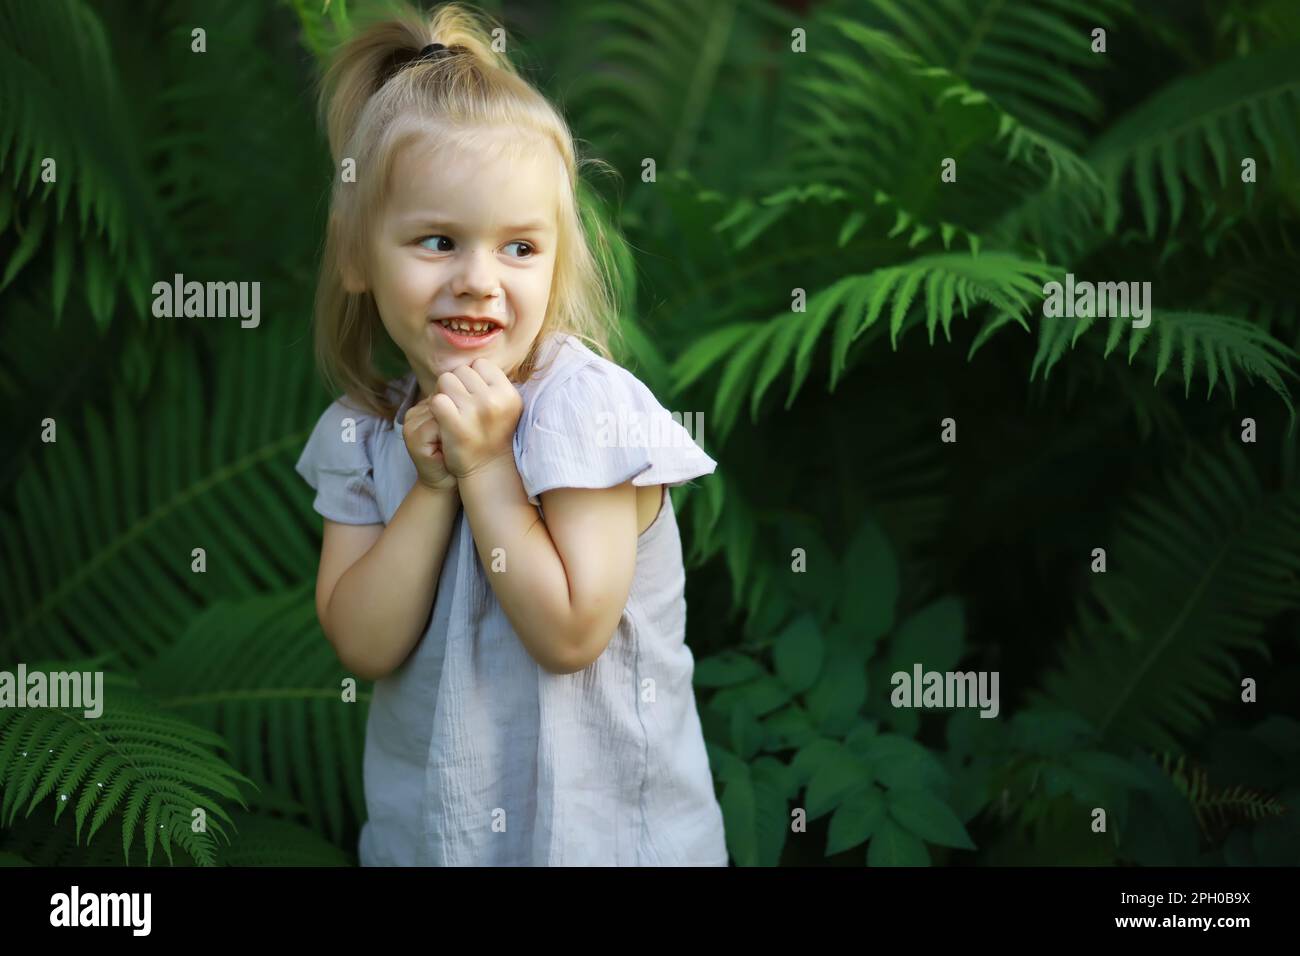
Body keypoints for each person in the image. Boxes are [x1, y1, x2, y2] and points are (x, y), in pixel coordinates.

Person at [293, 1, 728, 866]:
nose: (478, 281)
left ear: (558, 257)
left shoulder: (585, 414)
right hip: (439, 841)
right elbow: (364, 642)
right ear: (357, 258)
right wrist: (432, 487)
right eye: (438, 241)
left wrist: (487, 464)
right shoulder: (366, 430)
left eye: (519, 249)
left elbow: (570, 633)